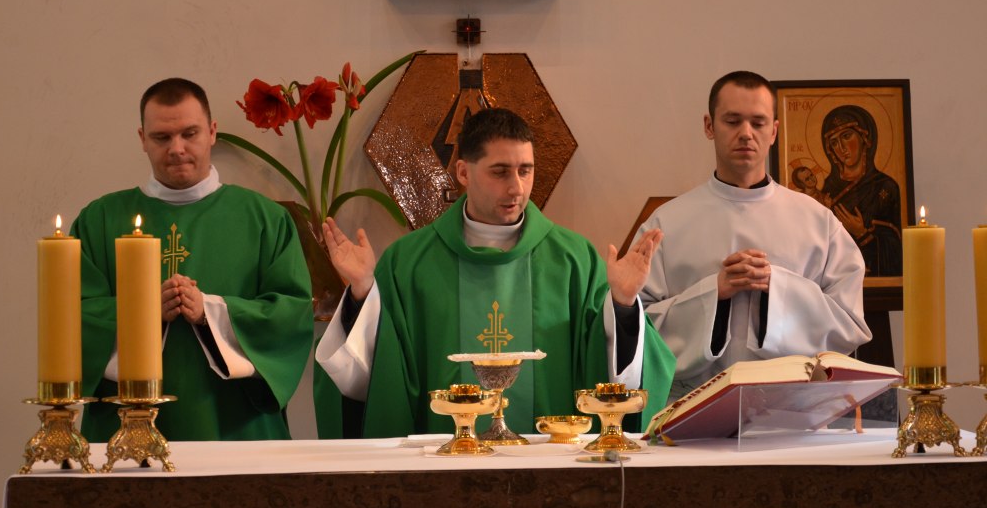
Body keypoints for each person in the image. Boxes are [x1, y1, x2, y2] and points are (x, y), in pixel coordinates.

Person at [314, 108, 676, 438]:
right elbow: (380, 373)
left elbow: (610, 370)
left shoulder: (574, 259)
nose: (516, 187)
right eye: (500, 172)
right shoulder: (408, 262)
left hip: (549, 463)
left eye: (525, 170)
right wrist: (361, 291)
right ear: (463, 172)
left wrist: (623, 304)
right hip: (440, 466)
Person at [71, 78, 314, 441]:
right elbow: (72, 320)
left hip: (237, 430)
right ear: (142, 139)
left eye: (190, 133)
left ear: (212, 132)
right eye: (162, 137)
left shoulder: (266, 219)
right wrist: (144, 312)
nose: (177, 148)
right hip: (126, 435)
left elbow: (290, 318)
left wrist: (210, 312)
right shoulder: (99, 220)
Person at [633, 71, 872, 403]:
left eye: (758, 123)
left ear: (773, 131)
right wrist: (714, 294)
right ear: (709, 126)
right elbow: (637, 326)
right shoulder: (666, 223)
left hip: (791, 411)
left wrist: (777, 286)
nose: (746, 133)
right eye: (732, 121)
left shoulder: (819, 223)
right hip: (691, 409)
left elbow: (849, 324)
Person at [820, 104, 903, 276]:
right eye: (834, 142)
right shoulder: (828, 190)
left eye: (846, 136)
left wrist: (861, 233)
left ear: (865, 137)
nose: (841, 148)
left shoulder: (885, 187)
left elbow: (895, 250)